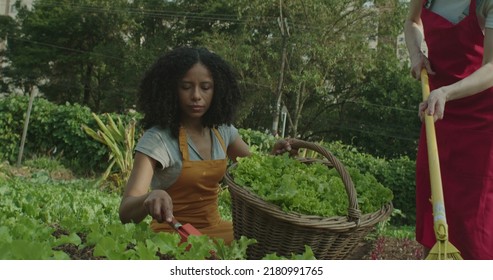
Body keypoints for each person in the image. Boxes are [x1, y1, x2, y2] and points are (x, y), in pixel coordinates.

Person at [118, 46, 291, 245]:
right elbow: (125, 211)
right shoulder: (158, 140)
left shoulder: (223, 132)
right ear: (170, 89)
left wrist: (276, 155)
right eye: (186, 87)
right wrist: (151, 197)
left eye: (206, 87)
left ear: (217, 90)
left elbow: (257, 173)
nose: (196, 96)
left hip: (217, 230)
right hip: (174, 235)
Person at [404, 0, 493, 259]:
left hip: (481, 122)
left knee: (474, 224)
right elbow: (412, 21)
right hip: (437, 112)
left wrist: (447, 92)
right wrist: (415, 54)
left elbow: (491, 67)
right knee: (432, 208)